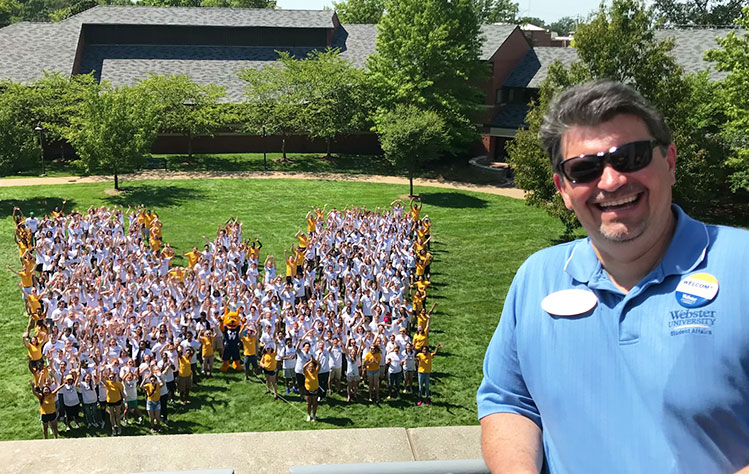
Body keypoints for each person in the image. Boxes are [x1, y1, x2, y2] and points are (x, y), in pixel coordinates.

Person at [477, 80, 749, 473]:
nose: (611, 181)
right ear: (564, 190)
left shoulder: (741, 266)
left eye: (631, 157)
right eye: (584, 169)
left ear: (670, 161)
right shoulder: (537, 277)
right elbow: (508, 401)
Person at [303, 358, 320, 422]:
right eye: (310, 367)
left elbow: (319, 365)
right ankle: (309, 415)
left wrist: (314, 361)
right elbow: (304, 367)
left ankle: (314, 415)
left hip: (315, 390)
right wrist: (310, 361)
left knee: (315, 403)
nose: (311, 368)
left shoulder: (316, 372)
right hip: (308, 390)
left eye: (312, 367)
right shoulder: (306, 372)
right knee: (308, 403)